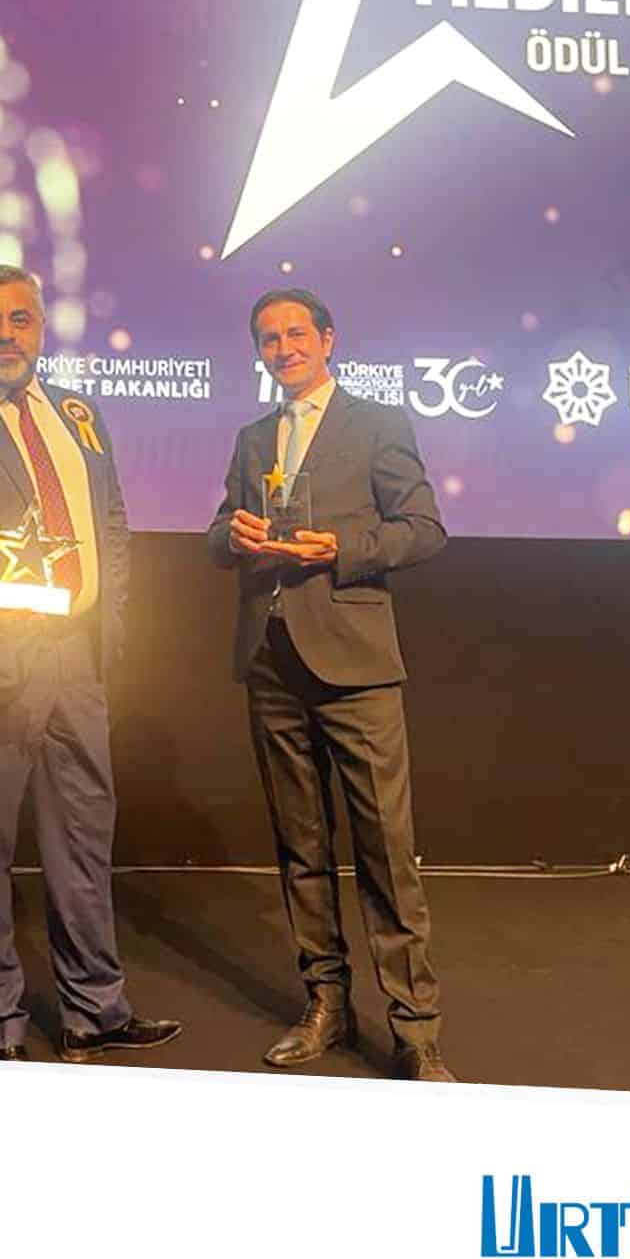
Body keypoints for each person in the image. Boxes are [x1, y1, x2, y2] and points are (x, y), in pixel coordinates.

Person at [0, 266, 181, 1062]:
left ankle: (96, 1011)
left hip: (77, 659)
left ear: (41, 327)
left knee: (83, 840)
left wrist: (108, 617)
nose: (6, 335)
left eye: (19, 319)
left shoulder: (79, 414)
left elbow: (110, 522)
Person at [206, 288, 454, 1080]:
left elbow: (424, 529)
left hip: (355, 664)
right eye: (269, 339)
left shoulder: (377, 424)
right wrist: (234, 535)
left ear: (327, 340)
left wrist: (338, 546)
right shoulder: (253, 437)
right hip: (270, 660)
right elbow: (217, 533)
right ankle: (326, 1004)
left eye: (296, 334)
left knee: (387, 851)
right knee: (300, 846)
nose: (283, 349)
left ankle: (415, 1032)